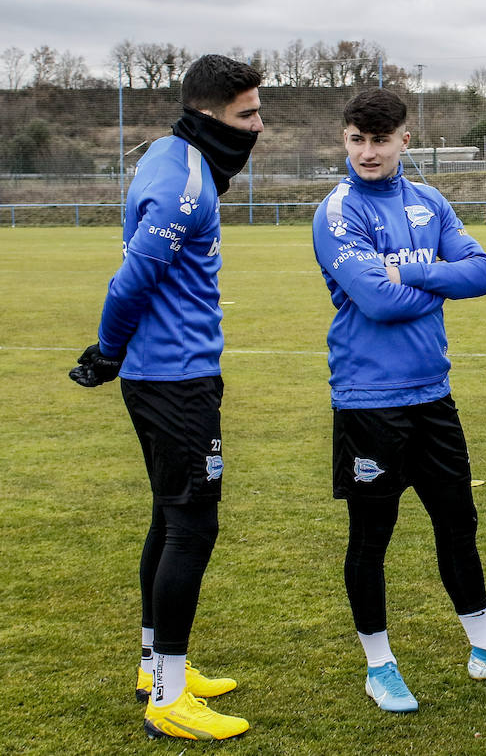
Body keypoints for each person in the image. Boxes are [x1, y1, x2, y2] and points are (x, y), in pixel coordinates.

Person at [312, 88, 486, 715]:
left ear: (404, 141)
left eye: (380, 140)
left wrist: (411, 273)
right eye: (356, 140)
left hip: (433, 395)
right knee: (373, 536)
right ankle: (380, 665)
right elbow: (378, 302)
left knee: (458, 523)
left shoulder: (430, 202)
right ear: (345, 139)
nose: (367, 152)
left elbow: (482, 272)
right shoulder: (337, 213)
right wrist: (434, 281)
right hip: (369, 399)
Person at [67, 55, 262, 741]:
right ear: (210, 115)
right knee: (192, 526)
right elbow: (132, 280)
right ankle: (170, 698)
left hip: (169, 373)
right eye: (247, 114)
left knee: (167, 514)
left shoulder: (173, 155)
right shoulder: (183, 181)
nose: (258, 125)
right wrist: (108, 352)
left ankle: (156, 667)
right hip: (174, 379)